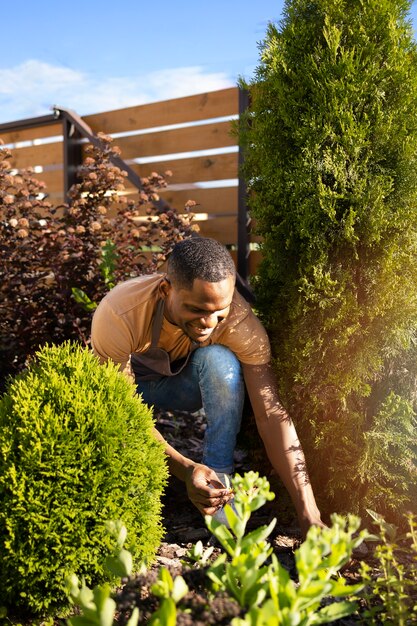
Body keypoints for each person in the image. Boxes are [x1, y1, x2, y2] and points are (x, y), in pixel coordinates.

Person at [91, 236, 324, 537]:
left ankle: (217, 488)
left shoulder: (239, 324)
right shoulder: (120, 312)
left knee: (221, 361)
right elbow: (121, 411)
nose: (209, 322)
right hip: (133, 391)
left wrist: (309, 513)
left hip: (183, 386)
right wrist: (185, 468)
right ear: (166, 290)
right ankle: (183, 481)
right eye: (197, 310)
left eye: (219, 312)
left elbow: (271, 414)